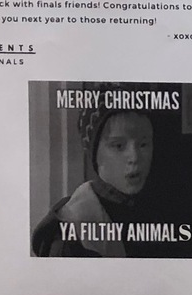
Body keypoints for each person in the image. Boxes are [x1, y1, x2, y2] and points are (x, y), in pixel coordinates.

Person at [31, 105, 157, 257]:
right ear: (95, 154)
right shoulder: (71, 232)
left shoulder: (157, 209)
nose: (135, 157)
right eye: (118, 146)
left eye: (143, 144)